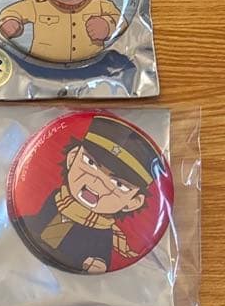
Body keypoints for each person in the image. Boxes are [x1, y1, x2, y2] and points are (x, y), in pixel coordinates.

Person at [15, 115, 164, 273]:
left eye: (119, 184)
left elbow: (100, 256)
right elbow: (36, 222)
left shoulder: (102, 233)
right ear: (72, 158)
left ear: (133, 202)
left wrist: (97, 263)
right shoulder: (58, 198)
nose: (97, 182)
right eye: (90, 163)